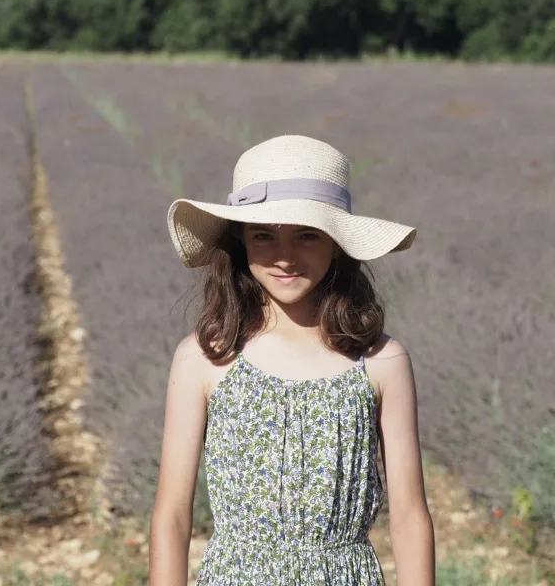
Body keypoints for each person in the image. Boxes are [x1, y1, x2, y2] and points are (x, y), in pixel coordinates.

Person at [149, 134, 435, 586]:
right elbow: (171, 516)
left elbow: (409, 516)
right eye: (264, 235)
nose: (285, 257)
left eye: (306, 235)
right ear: (241, 242)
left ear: (337, 243)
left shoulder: (380, 361)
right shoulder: (205, 358)